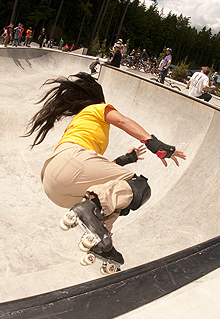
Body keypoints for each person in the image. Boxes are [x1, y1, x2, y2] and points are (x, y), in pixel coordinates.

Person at [24, 73, 186, 264]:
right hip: (71, 162)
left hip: (53, 183)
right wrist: (153, 143)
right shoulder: (97, 108)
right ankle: (89, 212)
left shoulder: (79, 123)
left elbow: (90, 173)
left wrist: (126, 159)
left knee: (113, 196)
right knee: (139, 187)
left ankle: (101, 241)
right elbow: (123, 121)